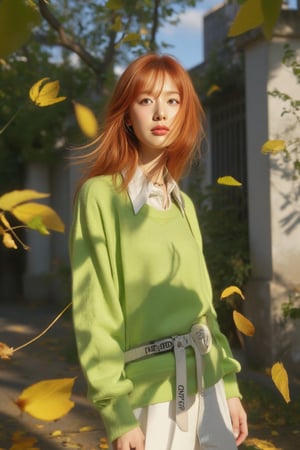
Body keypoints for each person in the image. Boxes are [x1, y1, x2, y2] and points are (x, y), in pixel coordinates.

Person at [70, 53, 248, 450]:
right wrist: (116, 413)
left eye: (172, 100)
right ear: (127, 114)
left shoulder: (183, 204)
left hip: (212, 388)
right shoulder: (100, 197)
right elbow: (94, 312)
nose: (160, 112)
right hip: (152, 400)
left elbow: (204, 308)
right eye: (146, 100)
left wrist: (230, 388)